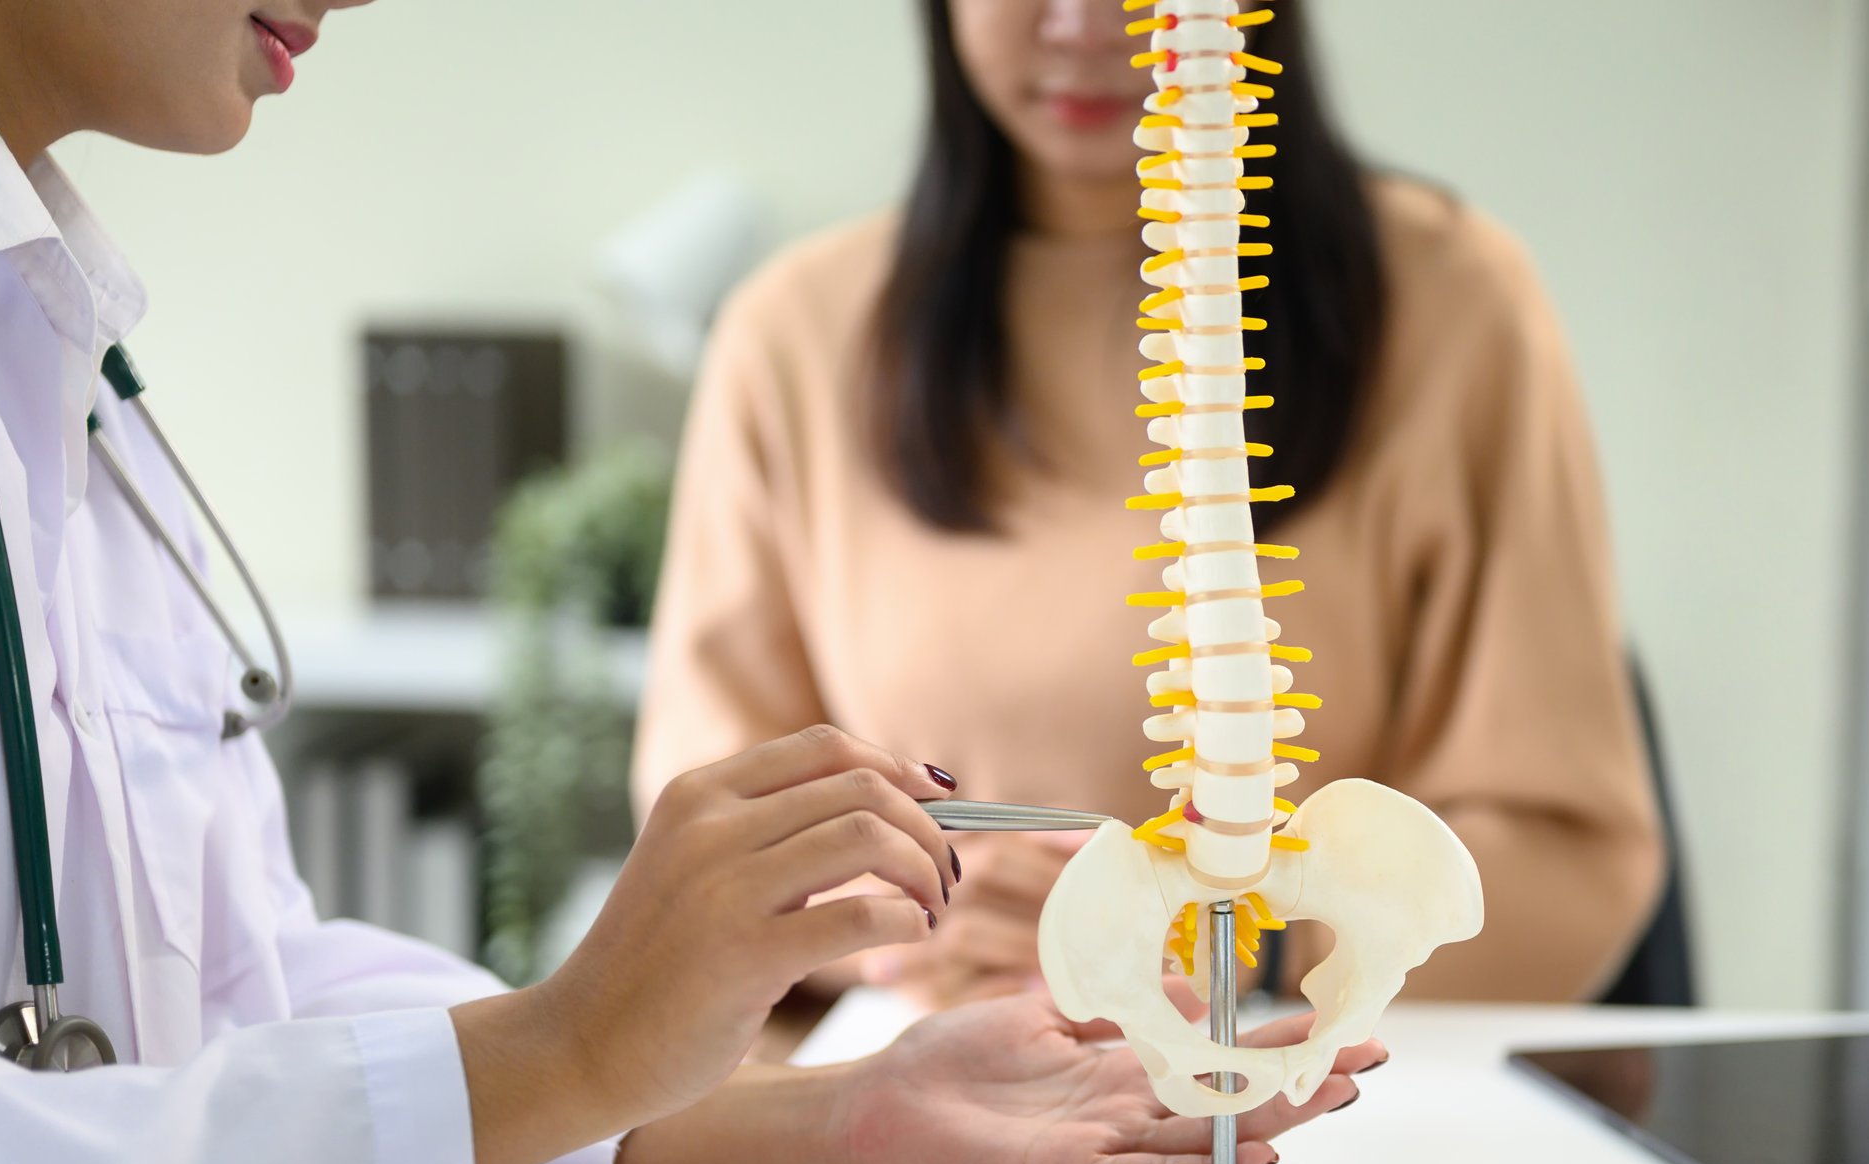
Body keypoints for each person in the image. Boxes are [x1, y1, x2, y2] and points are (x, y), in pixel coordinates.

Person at [0, 3, 1379, 1164]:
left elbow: (246, 996)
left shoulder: (45, 342)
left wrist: (819, 1120)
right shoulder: (810, 331)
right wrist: (573, 1047)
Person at [633, 0, 1665, 1011]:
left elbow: (1565, 853)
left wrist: (1242, 942)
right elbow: (714, 827)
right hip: (931, 1044)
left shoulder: (1453, 303)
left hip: (1316, 1059)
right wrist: (915, 914)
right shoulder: (795, 336)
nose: (1086, 24)